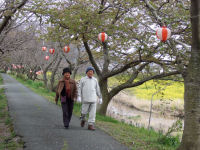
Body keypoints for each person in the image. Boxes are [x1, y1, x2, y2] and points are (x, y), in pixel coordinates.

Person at [77, 66, 102, 131]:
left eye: (92, 71)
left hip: (93, 100)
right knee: (84, 112)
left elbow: (97, 89)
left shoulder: (95, 80)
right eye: (89, 71)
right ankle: (83, 119)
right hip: (85, 99)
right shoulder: (83, 79)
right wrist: (79, 96)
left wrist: (100, 97)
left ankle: (90, 125)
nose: (91, 73)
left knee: (92, 113)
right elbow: (79, 88)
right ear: (87, 72)